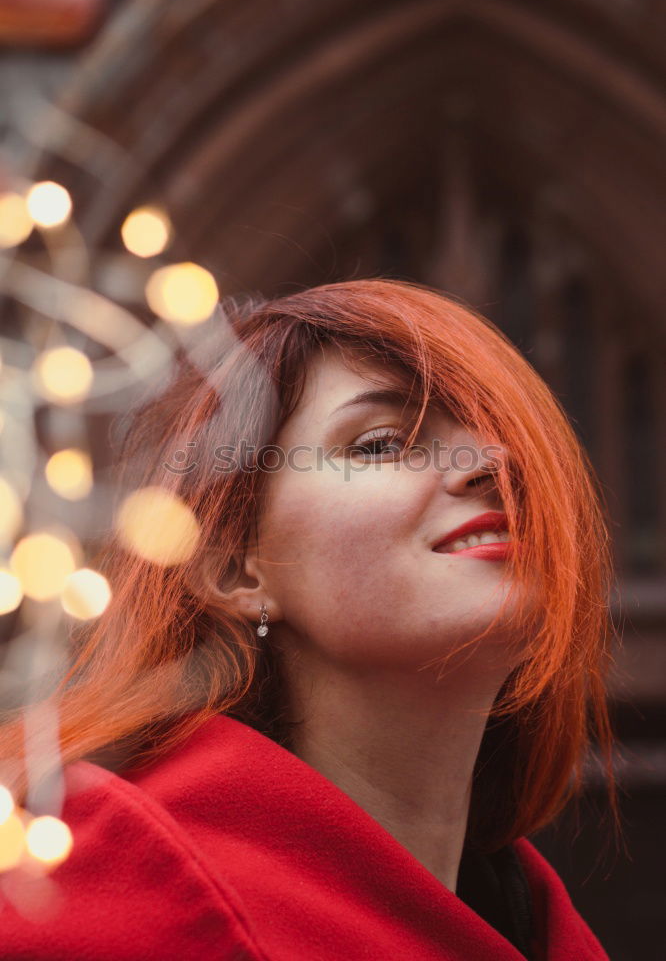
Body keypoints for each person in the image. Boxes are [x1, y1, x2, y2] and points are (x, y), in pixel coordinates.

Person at [0, 278, 617, 959]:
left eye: (508, 437)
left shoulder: (539, 927)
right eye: (381, 443)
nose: (495, 463)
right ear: (239, 570)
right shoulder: (96, 913)